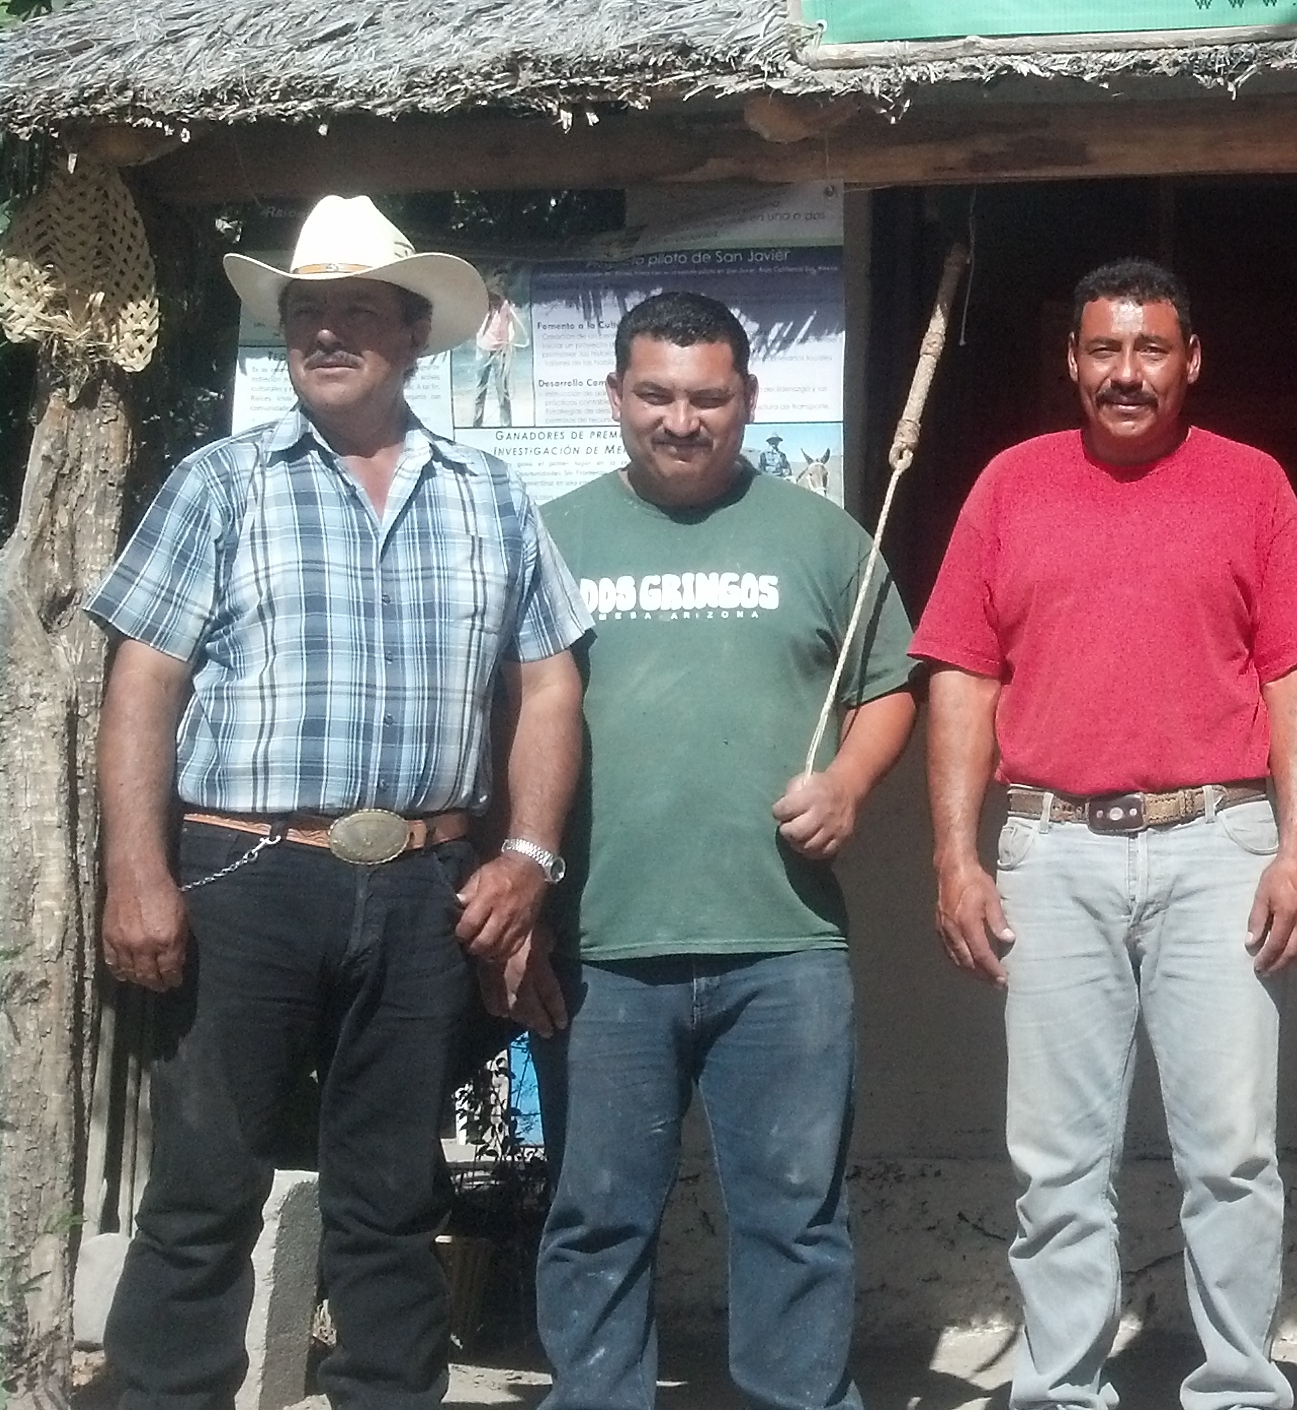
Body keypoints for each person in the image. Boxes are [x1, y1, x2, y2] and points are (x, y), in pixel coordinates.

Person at [89, 194, 589, 1410]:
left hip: (424, 886)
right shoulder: (219, 483)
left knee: (393, 1195)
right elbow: (142, 686)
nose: (325, 332)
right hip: (243, 874)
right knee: (204, 1187)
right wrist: (137, 872)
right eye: (307, 312)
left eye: (357, 311)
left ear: (413, 335)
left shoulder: (490, 494)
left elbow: (546, 683)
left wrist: (526, 854)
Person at [919, 258, 1297, 1410]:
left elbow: (1294, 671)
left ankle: (1239, 1391)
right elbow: (963, 672)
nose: (1126, 372)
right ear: (1071, 360)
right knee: (1056, 1162)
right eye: (1104, 349)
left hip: (1218, 841)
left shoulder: (1251, 484)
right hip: (1051, 846)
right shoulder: (1009, 485)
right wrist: (957, 855)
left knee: (1232, 1155)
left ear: (1189, 359)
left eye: (1150, 348)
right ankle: (1059, 1391)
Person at [532, 292, 918, 1410]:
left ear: (748, 398)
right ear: (614, 396)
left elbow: (890, 683)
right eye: (655, 394)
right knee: (596, 1216)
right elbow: (504, 713)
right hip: (601, 943)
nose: (681, 420)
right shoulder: (549, 536)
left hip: (783, 945)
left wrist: (847, 783)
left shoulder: (822, 535)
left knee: (794, 1217)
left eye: (708, 397)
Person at [471, 265, 528, 426]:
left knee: (503, 390)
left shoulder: (507, 304)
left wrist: (510, 340)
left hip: (500, 351)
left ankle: (506, 424)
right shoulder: (484, 303)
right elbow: (478, 324)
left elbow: (511, 324)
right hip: (483, 349)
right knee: (480, 388)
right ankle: (476, 424)